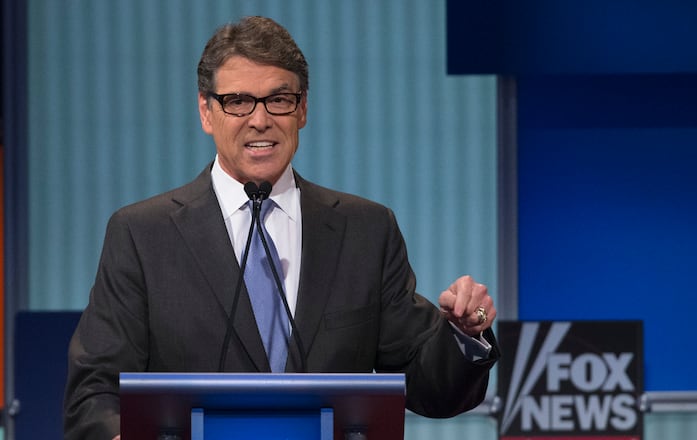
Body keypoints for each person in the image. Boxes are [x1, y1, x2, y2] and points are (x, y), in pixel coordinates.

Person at [64, 16, 499, 440]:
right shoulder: (143, 235)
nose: (259, 119)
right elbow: (93, 391)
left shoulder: (365, 230)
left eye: (279, 99)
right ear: (206, 111)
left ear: (302, 109)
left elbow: (431, 389)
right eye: (238, 101)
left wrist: (464, 334)